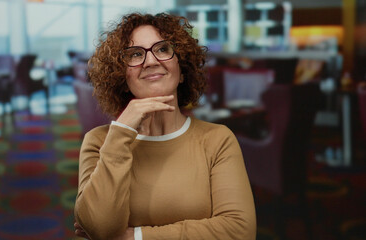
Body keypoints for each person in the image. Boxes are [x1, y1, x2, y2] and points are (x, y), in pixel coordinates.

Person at [74, 12, 256, 240]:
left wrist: (134, 237)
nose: (151, 61)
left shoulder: (217, 139)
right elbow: (100, 227)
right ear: (123, 77)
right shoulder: (100, 141)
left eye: (162, 49)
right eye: (135, 54)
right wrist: (121, 133)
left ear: (182, 72)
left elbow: (239, 231)